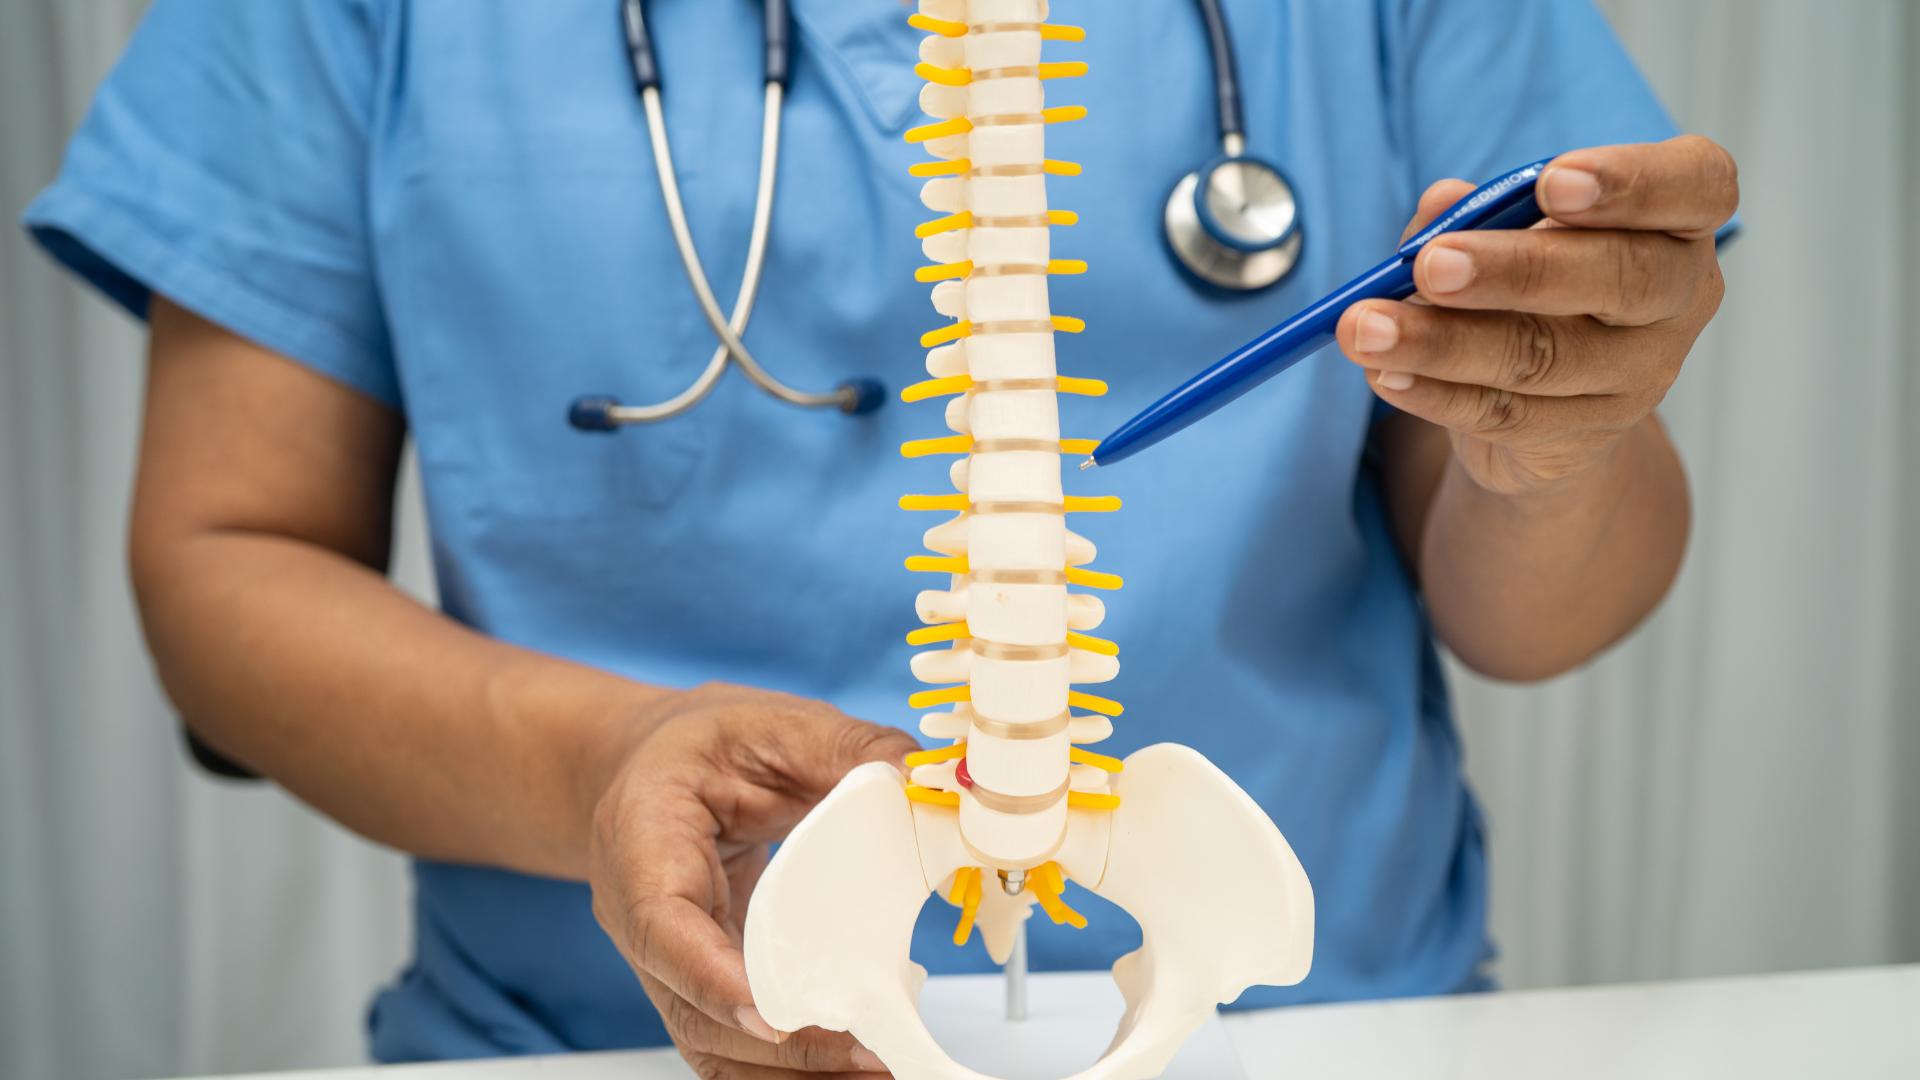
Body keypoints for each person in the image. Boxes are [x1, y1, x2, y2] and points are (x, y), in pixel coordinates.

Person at [23, 0, 1734, 1074]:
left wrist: (1550, 439)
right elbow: (226, 557)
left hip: (1324, 1033)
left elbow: (1538, 612)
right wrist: (597, 764)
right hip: (608, 1049)